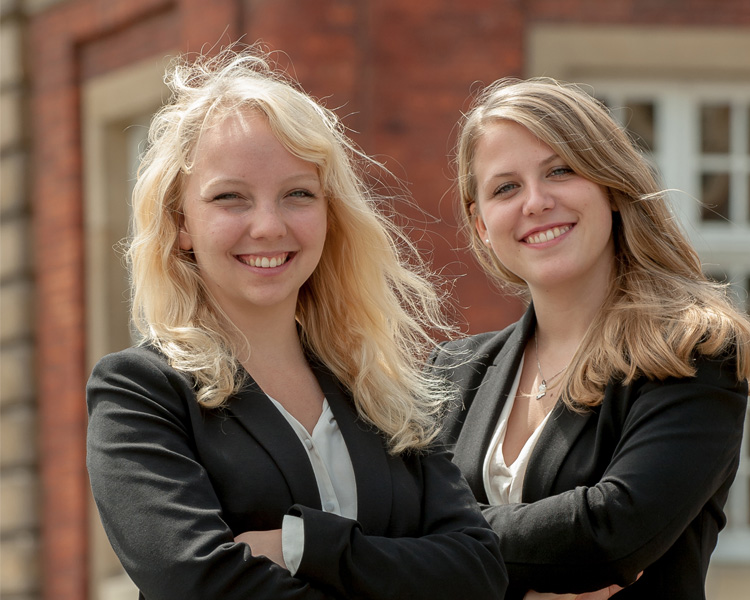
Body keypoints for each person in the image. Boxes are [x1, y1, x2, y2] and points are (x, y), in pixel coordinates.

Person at [86, 46, 507, 600]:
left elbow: (478, 571)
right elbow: (198, 581)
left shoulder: (380, 389)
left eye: (298, 195)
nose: (268, 226)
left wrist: (302, 545)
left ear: (330, 214)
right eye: (231, 198)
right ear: (181, 222)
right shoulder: (140, 392)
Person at [429, 77, 750, 600]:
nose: (535, 202)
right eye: (505, 188)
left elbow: (610, 535)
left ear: (611, 186)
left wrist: (437, 541)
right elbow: (389, 521)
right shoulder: (452, 371)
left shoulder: (691, 352)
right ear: (481, 224)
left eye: (560, 170)